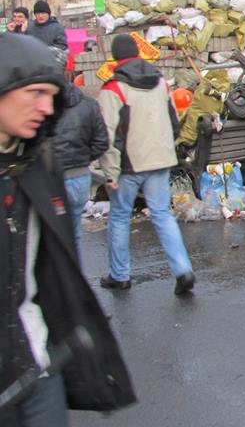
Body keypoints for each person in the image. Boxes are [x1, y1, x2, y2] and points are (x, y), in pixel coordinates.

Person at [0, 33, 135, 426]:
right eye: (36, 93)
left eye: (51, 95)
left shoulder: (38, 166)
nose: (46, 107)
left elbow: (56, 272)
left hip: (41, 369)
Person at [98, 34, 195, 295]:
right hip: (160, 159)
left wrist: (110, 172)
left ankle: (120, 275)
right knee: (162, 215)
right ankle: (183, 269)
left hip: (129, 165)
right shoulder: (160, 82)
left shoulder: (113, 89)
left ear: (115, 58)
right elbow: (175, 120)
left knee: (119, 217)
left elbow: (107, 134)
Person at [49, 48, 109, 258]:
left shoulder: (40, 104)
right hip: (80, 178)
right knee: (74, 233)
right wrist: (84, 159)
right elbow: (102, 142)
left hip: (52, 180)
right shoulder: (88, 104)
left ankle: (59, 283)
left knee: (51, 237)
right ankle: (73, 281)